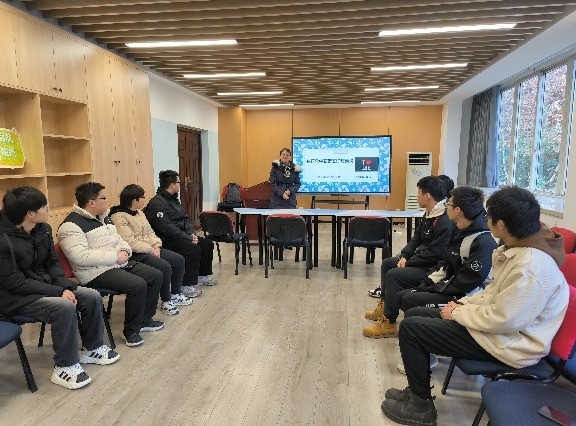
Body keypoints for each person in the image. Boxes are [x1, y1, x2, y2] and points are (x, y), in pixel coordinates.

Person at [382, 186, 570, 426]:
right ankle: (416, 389)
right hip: (500, 332)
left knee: (412, 329)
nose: (485, 219)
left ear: (501, 225)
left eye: (489, 216)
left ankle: (421, 407)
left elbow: (504, 319)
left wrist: (459, 312)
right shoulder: (519, 249)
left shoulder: (530, 267)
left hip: (511, 345)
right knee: (416, 313)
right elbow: (492, 293)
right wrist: (461, 305)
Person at [0, 187, 119, 389]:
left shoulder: (42, 229)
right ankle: (65, 366)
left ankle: (92, 348)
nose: (48, 209)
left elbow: (52, 263)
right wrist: (58, 292)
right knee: (63, 307)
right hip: (13, 297)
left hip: (43, 285)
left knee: (90, 295)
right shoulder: (3, 240)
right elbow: (14, 282)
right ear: (30, 214)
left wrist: (64, 286)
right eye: (44, 207)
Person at [395, 186, 498, 373]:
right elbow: (445, 264)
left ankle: (425, 351)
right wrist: (427, 284)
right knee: (404, 295)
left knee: (411, 300)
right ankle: (420, 344)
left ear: (458, 210)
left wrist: (432, 290)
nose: (445, 207)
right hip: (449, 287)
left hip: (462, 297)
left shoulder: (483, 242)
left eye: (448, 204)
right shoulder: (459, 230)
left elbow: (466, 282)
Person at [57, 182, 164, 348]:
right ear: (91, 203)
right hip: (94, 272)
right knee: (138, 285)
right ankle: (131, 331)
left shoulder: (104, 217)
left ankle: (144, 320)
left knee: (155, 275)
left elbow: (119, 239)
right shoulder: (70, 226)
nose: (107, 201)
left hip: (116, 263)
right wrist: (115, 257)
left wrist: (125, 251)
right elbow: (80, 257)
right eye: (103, 198)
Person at [363, 176, 453, 338]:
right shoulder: (430, 213)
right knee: (388, 263)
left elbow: (435, 255)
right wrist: (404, 256)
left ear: (427, 195)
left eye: (419, 192)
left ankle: (389, 322)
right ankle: (385, 305)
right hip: (421, 260)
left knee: (394, 274)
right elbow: (415, 239)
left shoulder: (444, 221)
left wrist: (409, 262)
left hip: (432, 267)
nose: (417, 196)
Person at [110, 184, 199, 317]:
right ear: (135, 200)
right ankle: (166, 300)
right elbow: (130, 242)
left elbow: (151, 233)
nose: (144, 200)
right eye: (142, 197)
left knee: (179, 260)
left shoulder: (139, 213)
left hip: (151, 248)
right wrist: (151, 249)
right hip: (135, 253)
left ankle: (175, 294)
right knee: (165, 267)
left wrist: (156, 245)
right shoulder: (118, 217)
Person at [145, 170, 217, 287]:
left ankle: (201, 275)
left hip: (181, 236)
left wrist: (191, 234)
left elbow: (185, 218)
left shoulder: (174, 199)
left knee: (207, 244)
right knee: (192, 249)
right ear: (172, 185)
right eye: (179, 182)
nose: (181, 185)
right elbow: (166, 228)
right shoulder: (156, 203)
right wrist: (187, 238)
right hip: (167, 239)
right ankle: (185, 285)